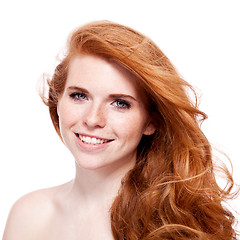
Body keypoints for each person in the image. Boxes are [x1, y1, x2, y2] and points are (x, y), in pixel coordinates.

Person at [3, 20, 239, 240]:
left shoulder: (182, 225)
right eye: (79, 95)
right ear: (58, 100)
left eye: (120, 103)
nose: (93, 119)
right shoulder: (27, 216)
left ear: (151, 121)